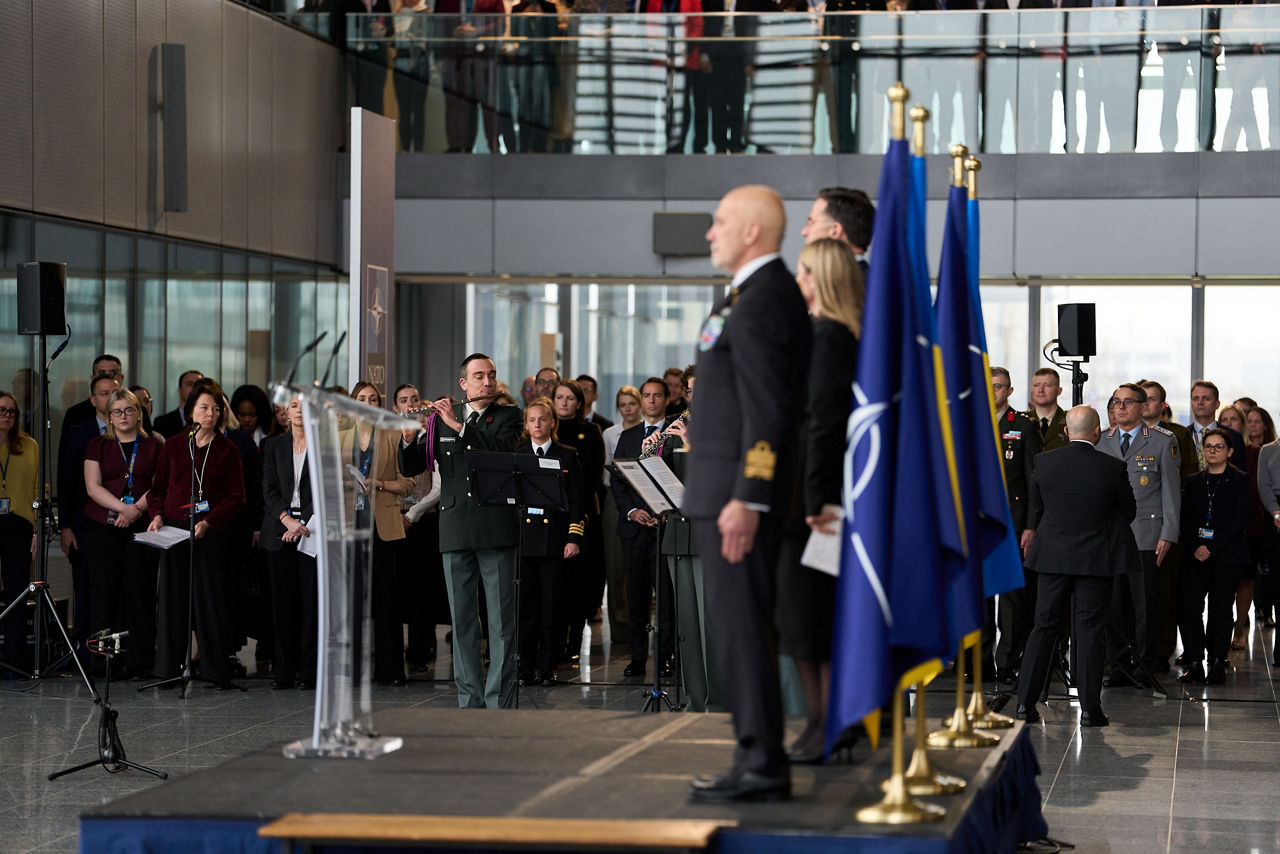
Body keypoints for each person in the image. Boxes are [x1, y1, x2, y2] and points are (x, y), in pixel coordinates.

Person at [686, 184, 811, 803]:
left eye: (720, 221)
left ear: (754, 231)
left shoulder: (763, 300)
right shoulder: (749, 295)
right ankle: (755, 755)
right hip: (723, 491)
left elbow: (768, 412)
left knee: (740, 631)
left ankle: (761, 761)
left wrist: (750, 497)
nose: (711, 233)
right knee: (735, 632)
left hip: (737, 499)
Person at [399, 353, 522, 708]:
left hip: (495, 527)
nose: (488, 382)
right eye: (479, 376)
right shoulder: (440, 421)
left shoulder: (508, 417)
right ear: (463, 384)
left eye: (492, 375)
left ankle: (499, 696)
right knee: (463, 620)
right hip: (454, 527)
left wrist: (459, 427)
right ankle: (470, 697)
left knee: (500, 622)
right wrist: (409, 436)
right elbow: (413, 465)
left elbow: (500, 451)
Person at [780, 237, 862, 764]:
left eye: (805, 271)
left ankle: (828, 723)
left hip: (814, 501)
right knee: (805, 619)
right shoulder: (823, 334)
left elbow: (824, 424)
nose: (797, 279)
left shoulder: (831, 336)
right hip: (809, 492)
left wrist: (814, 499)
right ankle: (821, 723)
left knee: (810, 618)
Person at [1016, 405, 1138, 728]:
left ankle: (1024, 705)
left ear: (1067, 432)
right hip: (1095, 560)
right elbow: (1129, 511)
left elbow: (1039, 508)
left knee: (1043, 628)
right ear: (1097, 432)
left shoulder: (1044, 462)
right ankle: (1089, 710)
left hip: (1052, 557)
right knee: (1089, 633)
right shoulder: (1113, 467)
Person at [146, 379, 245, 689]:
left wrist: (210, 522)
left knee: (209, 601)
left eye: (216, 409)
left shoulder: (228, 449)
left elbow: (236, 497)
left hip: (208, 533)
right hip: (174, 530)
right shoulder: (175, 445)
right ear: (191, 411)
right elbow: (157, 489)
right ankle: (168, 669)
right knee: (172, 601)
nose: (210, 414)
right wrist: (156, 515)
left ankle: (214, 669)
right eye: (204, 407)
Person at [1095, 383, 1180, 684]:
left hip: (1147, 534)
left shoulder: (1161, 442)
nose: (1120, 408)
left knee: (1146, 605)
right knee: (1114, 604)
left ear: (1143, 407)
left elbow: (1170, 491)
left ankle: (1144, 663)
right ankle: (1118, 665)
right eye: (1116, 402)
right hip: (1110, 536)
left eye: (1127, 402)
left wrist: (1168, 534)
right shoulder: (1100, 440)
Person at [82, 388, 164, 677]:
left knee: (139, 593)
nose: (123, 416)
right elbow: (93, 487)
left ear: (139, 412)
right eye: (116, 411)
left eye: (129, 409)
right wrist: (121, 509)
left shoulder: (155, 444)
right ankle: (105, 662)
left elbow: (161, 483)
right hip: (103, 526)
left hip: (142, 526)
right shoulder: (97, 445)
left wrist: (136, 510)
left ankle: (138, 661)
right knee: (104, 593)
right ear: (109, 417)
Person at [348, 382, 415, 686]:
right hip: (350, 527)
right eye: (361, 399)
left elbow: (409, 483)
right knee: (351, 603)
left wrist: (380, 484)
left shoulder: (391, 435)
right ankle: (351, 671)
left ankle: (390, 670)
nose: (367, 402)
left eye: (372, 399)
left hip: (384, 526)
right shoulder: (338, 439)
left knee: (387, 602)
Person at [515, 397, 585, 685]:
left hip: (555, 542)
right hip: (526, 542)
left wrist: (573, 537)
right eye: (531, 420)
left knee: (551, 610)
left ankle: (547, 668)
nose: (537, 425)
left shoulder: (566, 456)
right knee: (526, 611)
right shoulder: (518, 454)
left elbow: (577, 501)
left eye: (542, 419)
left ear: (552, 423)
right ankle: (524, 669)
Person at [611, 377, 677, 680]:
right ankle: (637, 658)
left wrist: (666, 512)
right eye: (646, 396)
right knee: (635, 598)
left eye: (657, 396)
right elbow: (618, 481)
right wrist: (632, 510)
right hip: (635, 528)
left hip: (665, 527)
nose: (651, 401)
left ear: (666, 399)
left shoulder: (676, 434)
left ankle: (664, 657)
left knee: (665, 599)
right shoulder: (629, 436)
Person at [1178, 428, 1251, 685]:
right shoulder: (1194, 481)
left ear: (1229, 452)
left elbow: (1240, 518)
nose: (1212, 450)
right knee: (1189, 608)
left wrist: (1212, 546)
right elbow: (1185, 519)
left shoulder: (1240, 480)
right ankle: (1195, 662)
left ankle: (1217, 660)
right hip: (1195, 555)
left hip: (1226, 554)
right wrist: (1197, 545)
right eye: (1208, 446)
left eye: (1218, 446)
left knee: (1220, 610)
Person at [987, 367, 1041, 690]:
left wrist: (1031, 526)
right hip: (978, 522)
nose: (993, 392)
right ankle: (978, 662)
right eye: (988, 386)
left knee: (1011, 597)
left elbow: (1034, 481)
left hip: (1013, 520)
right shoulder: (970, 424)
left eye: (998, 387)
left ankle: (1006, 662)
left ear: (1009, 390)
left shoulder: (1022, 426)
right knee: (979, 596)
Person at [59, 370, 120, 648]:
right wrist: (66, 527)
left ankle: (116, 653)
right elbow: (66, 480)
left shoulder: (128, 429)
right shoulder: (77, 433)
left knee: (116, 588)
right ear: (93, 399)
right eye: (104, 393)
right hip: (83, 524)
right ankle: (85, 651)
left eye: (114, 392)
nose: (109, 398)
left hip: (118, 522)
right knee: (85, 587)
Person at [260, 396, 317, 690]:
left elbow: (325, 490)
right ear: (285, 412)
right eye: (294, 405)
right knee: (282, 607)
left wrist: (302, 523)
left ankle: (309, 672)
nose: (298, 411)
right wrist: (287, 520)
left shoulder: (325, 447)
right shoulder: (273, 445)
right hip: (278, 531)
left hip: (312, 532)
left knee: (310, 605)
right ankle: (283, 670)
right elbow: (267, 489)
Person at [393, 383, 446, 674]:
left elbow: (438, 486)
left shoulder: (432, 438)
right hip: (393, 520)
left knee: (423, 590)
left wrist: (413, 514)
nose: (411, 405)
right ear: (395, 408)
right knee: (401, 589)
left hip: (425, 521)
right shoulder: (394, 438)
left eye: (415, 400)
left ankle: (419, 651)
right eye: (404, 401)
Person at [550, 379, 604, 661]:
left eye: (570, 398)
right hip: (550, 516)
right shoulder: (547, 429)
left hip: (580, 513)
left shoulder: (591, 431)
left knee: (579, 582)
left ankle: (575, 640)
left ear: (579, 402)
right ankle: (553, 641)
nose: (564, 403)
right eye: (559, 397)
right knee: (554, 583)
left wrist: (573, 506)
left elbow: (594, 476)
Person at [0, 390, 38, 675]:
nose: (7, 415)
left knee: (16, 594)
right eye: (2, 410)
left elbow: (37, 489)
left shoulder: (29, 446)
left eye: (12, 411)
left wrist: (36, 529)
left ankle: (14, 660)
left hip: (20, 525)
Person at [601, 385, 641, 641]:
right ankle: (619, 630)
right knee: (615, 566)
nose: (627, 408)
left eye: (631, 403)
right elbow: (606, 470)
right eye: (623, 404)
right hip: (615, 497)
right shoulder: (610, 434)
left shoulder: (651, 432)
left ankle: (640, 626)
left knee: (637, 569)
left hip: (643, 497)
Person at [1218, 402, 1257, 649]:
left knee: (1244, 578)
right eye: (1225, 420)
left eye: (1234, 420)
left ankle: (1239, 629)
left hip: (1247, 522)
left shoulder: (1250, 451)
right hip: (1218, 524)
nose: (1229, 424)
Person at [1246, 407, 1277, 630]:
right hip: (1271, 515)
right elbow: (1263, 486)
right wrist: (1276, 513)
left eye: (1258, 421)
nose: (1253, 425)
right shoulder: (1268, 451)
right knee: (1271, 572)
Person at [59, 355, 123, 445]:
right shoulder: (76, 414)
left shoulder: (138, 411)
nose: (107, 377)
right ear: (92, 378)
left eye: (113, 373)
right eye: (102, 373)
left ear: (122, 378)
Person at [1188, 380, 1245, 471]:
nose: (1200, 402)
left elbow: (1240, 475)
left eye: (1206, 398)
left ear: (1217, 404)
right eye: (1195, 399)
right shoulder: (1180, 436)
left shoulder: (1234, 437)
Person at [152, 370, 204, 440]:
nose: (194, 388)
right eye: (189, 384)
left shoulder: (210, 421)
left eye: (198, 385)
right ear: (180, 390)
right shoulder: (162, 423)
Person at [1026, 367, 1069, 452]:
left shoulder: (1070, 421)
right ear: (1031, 390)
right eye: (1036, 385)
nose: (1040, 390)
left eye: (1047, 385)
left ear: (1059, 391)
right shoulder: (1021, 421)